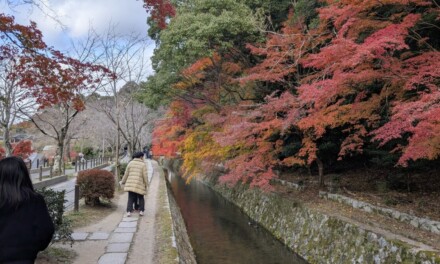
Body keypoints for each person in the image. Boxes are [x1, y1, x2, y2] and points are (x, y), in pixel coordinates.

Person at [0, 156, 55, 264]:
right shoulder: (35, 200)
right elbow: (46, 230)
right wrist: (33, 248)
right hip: (25, 258)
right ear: (24, 175)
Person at [119, 152, 148, 217]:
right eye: (142, 157)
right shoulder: (143, 164)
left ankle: (129, 211)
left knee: (130, 198)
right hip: (139, 183)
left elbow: (126, 174)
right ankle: (141, 211)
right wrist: (146, 184)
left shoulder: (130, 163)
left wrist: (123, 181)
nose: (143, 158)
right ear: (140, 157)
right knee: (141, 197)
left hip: (130, 183)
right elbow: (145, 176)